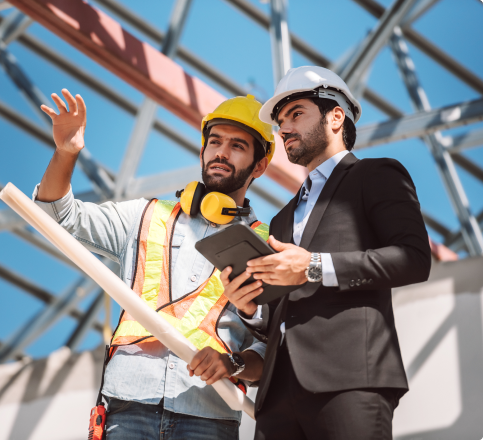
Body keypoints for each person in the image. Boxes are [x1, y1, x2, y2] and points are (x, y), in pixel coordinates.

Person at [33, 89, 275, 439]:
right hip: (127, 405)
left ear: (260, 164)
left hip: (209, 416)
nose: (221, 152)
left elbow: (273, 349)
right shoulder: (146, 215)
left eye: (238, 145)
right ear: (203, 149)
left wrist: (232, 364)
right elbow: (57, 216)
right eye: (215, 141)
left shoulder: (266, 244)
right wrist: (66, 152)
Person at [221, 66, 432, 440]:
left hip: (349, 380)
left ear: (336, 116)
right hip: (276, 397)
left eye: (296, 114)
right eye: (281, 121)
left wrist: (314, 266)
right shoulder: (282, 218)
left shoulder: (376, 175)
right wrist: (249, 306)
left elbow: (414, 258)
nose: (284, 128)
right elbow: (279, 313)